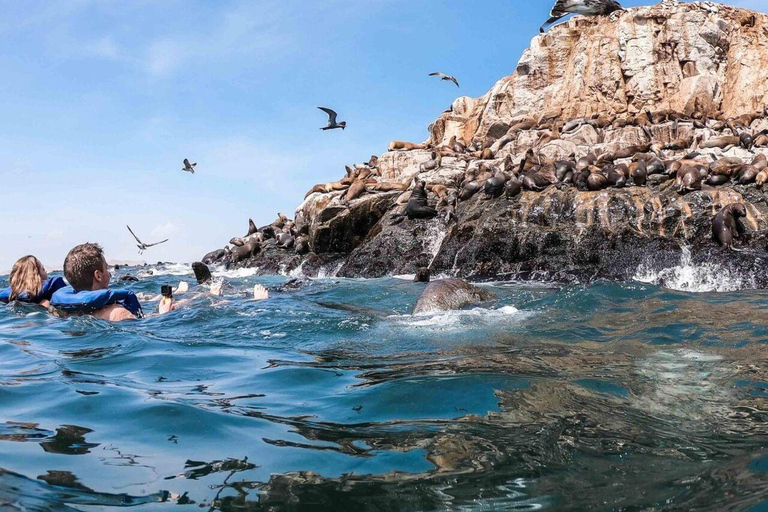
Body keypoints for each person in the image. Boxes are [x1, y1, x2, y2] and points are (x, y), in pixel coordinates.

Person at [50, 243, 148, 322]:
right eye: (106, 268)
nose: (109, 273)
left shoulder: (60, 313)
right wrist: (163, 313)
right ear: (98, 276)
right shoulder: (117, 313)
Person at [0, 256, 66, 307]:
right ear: (37, 276)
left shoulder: (10, 296)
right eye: (43, 269)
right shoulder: (47, 297)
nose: (46, 272)